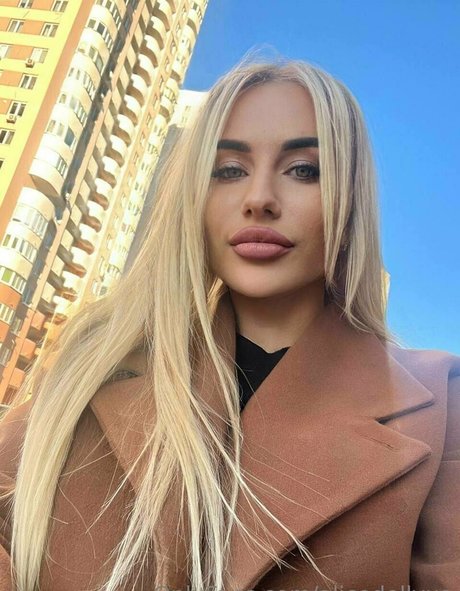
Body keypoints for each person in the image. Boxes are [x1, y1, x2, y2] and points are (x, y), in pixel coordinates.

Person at [0, 57, 459, 591]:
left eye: (303, 169)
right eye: (229, 170)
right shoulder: (91, 370)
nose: (258, 199)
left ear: (350, 197)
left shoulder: (440, 400)